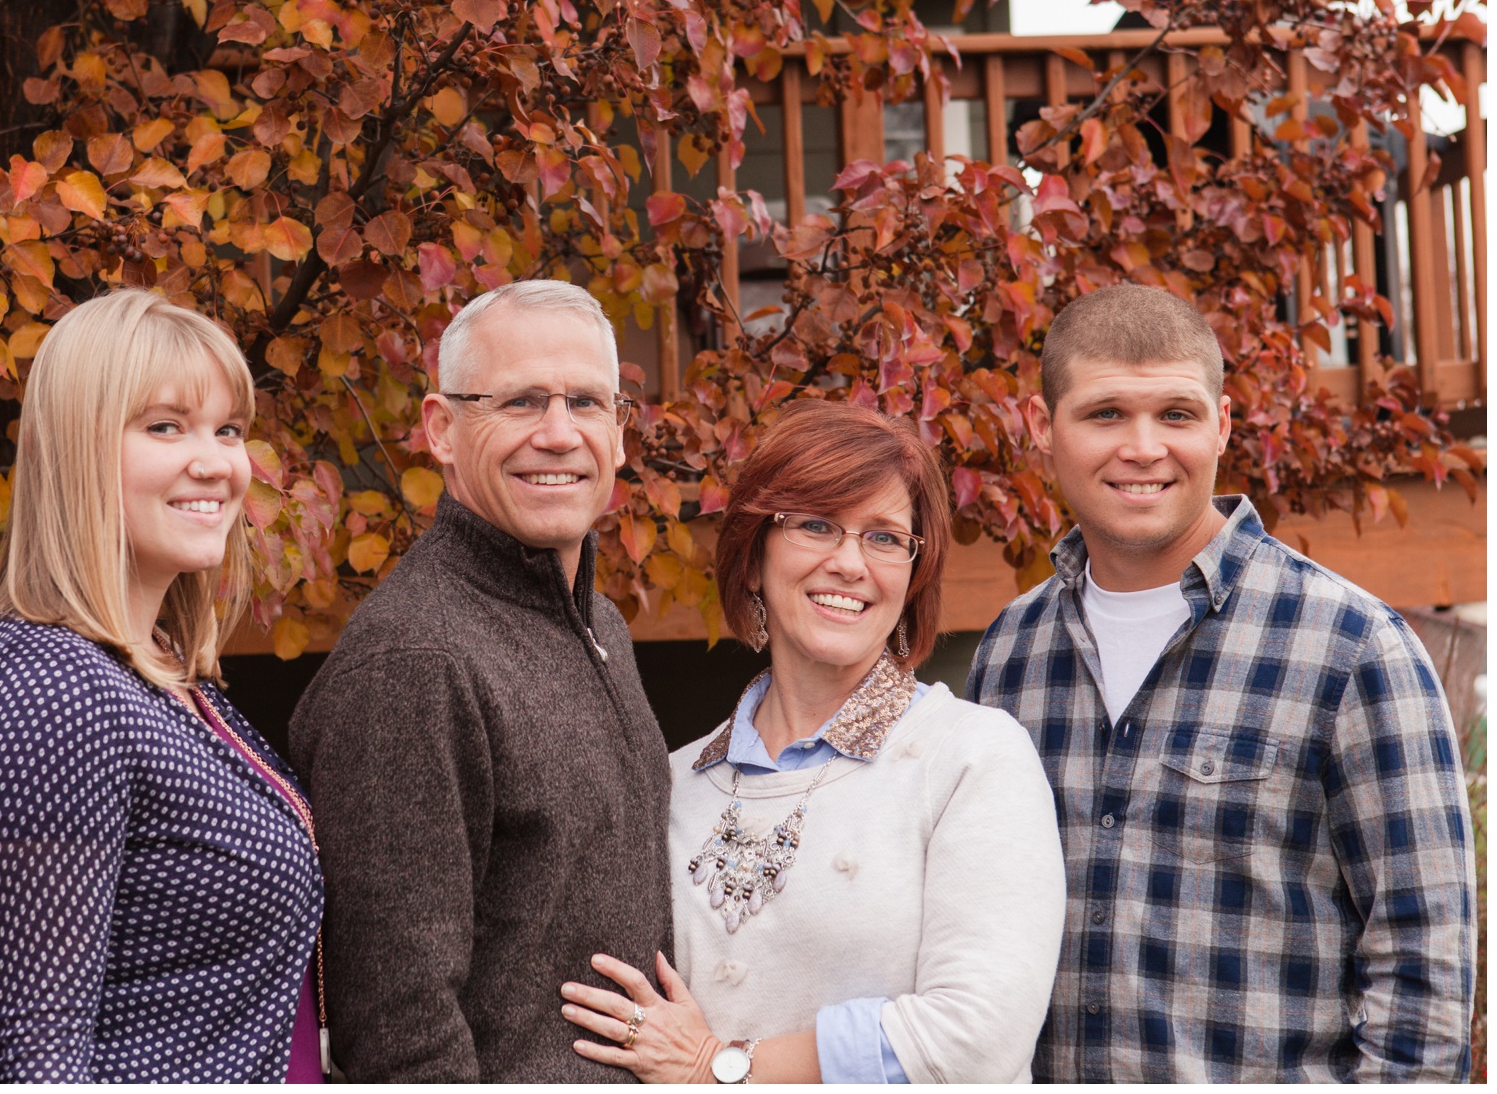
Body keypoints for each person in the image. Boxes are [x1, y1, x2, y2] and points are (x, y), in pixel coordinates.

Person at [966, 282, 1478, 1082]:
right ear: (1042, 427)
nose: (1143, 447)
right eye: (1105, 414)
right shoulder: (1008, 654)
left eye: (1176, 414)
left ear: (1223, 424)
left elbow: (1424, 966)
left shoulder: (1353, 648)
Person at [558, 400, 1067, 1083]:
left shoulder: (970, 758)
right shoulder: (673, 784)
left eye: (885, 537)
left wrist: (721, 1067)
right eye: (817, 525)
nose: (850, 562)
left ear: (913, 574)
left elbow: (975, 1035)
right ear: (752, 556)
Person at [0, 289, 324, 1081]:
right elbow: (38, 1055)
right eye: (165, 426)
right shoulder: (52, 693)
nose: (216, 461)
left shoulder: (158, 668)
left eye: (229, 430)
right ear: (75, 447)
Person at [288, 280, 671, 1081]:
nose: (560, 434)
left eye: (588, 403)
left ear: (621, 432)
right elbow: (399, 1028)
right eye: (523, 402)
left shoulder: (601, 625)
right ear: (442, 428)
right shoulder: (414, 663)